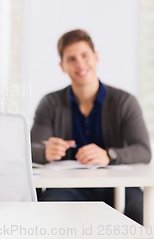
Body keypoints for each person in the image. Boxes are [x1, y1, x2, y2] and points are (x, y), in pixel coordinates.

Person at [31, 29, 151, 224]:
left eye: (84, 55)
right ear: (62, 66)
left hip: (116, 187)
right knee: (44, 216)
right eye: (71, 59)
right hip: (66, 188)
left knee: (140, 214)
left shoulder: (124, 101)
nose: (80, 64)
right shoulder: (50, 103)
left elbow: (143, 151)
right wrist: (46, 151)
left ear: (96, 57)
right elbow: (30, 149)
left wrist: (108, 155)